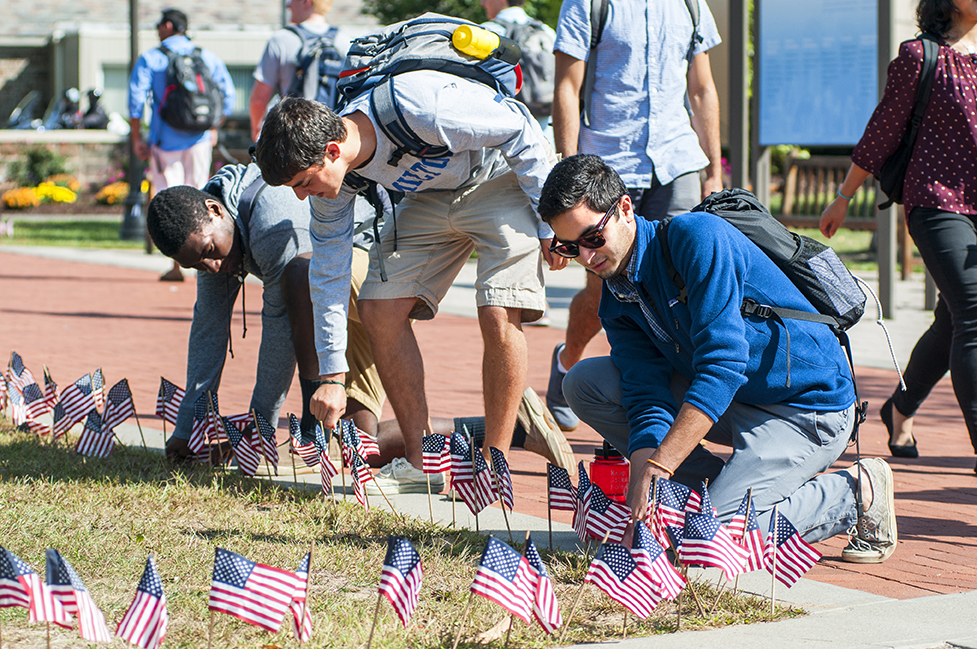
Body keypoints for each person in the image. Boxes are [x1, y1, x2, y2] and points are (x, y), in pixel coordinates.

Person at [541, 154, 898, 564]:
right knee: (586, 383)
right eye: (570, 247)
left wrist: (660, 466)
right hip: (735, 401)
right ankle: (706, 498)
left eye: (591, 238)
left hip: (805, 409)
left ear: (624, 209)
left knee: (708, 544)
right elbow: (644, 390)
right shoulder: (616, 292)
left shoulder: (697, 238)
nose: (586, 258)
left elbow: (723, 364)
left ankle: (857, 492)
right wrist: (643, 485)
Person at [253, 76, 576, 492]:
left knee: (497, 306)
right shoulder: (334, 183)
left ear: (332, 151)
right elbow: (329, 272)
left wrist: (550, 218)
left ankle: (492, 468)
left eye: (303, 183)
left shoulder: (417, 106)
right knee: (378, 308)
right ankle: (423, 463)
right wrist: (332, 376)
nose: (302, 197)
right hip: (430, 196)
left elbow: (519, 127)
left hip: (502, 177)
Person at [147, 162, 559, 480]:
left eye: (211, 251)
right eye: (198, 265)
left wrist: (258, 434)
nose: (214, 266)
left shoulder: (274, 224)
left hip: (375, 284)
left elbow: (279, 340)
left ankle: (315, 434)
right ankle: (508, 426)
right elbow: (207, 333)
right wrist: (188, 429)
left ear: (215, 210)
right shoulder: (209, 236)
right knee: (361, 446)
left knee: (299, 273)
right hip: (335, 305)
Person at [544, 0, 724, 431]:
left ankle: (671, 405)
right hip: (609, 162)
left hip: (676, 160)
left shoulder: (690, 4)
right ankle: (569, 361)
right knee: (603, 290)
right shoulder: (588, 4)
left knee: (683, 285)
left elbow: (700, 89)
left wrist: (714, 168)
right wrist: (571, 178)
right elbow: (567, 87)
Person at [820, 0, 977, 474]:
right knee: (973, 311)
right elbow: (882, 130)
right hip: (937, 202)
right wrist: (844, 196)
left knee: (952, 322)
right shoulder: (921, 55)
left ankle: (899, 410)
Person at [128, 8, 236, 283]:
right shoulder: (205, 56)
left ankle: (177, 266)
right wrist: (213, 127)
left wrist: (136, 138)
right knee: (201, 195)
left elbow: (136, 100)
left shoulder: (151, 58)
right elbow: (229, 95)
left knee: (167, 201)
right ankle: (209, 256)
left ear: (167, 26)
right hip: (199, 139)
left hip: (166, 141)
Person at [249, 0, 356, 142]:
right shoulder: (345, 42)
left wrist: (256, 130)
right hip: (331, 136)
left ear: (305, 2)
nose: (288, 5)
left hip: (291, 136)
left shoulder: (280, 40)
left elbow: (259, 99)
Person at [480, 0, 556, 137]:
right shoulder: (546, 31)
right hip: (545, 131)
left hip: (502, 133)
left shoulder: (486, 32)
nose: (482, 3)